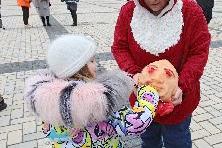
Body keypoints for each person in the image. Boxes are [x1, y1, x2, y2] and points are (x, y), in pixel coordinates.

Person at [112, 0, 211, 148]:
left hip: (178, 99)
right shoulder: (128, 11)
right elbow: (120, 47)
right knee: (148, 141)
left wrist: (181, 86)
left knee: (177, 141)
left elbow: (199, 52)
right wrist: (134, 74)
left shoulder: (190, 11)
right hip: (143, 98)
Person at [25, 34, 159, 148]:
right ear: (78, 67)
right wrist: (149, 95)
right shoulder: (98, 102)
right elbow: (135, 124)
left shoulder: (47, 100)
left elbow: (49, 132)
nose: (96, 64)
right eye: (92, 60)